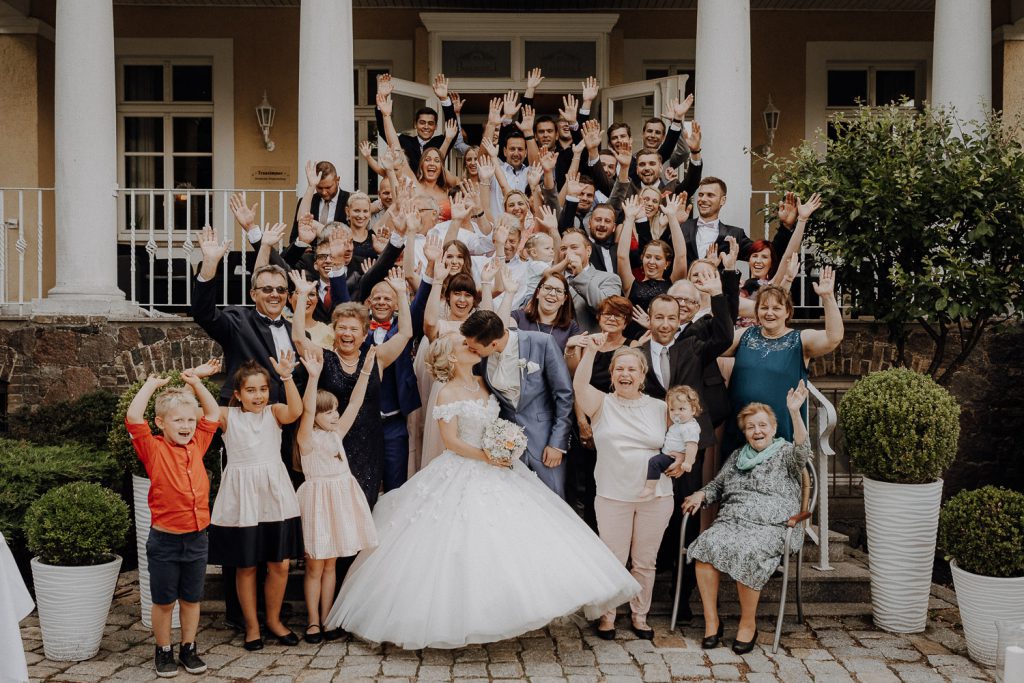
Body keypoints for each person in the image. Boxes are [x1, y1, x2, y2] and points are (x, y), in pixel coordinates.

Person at [323, 332, 640, 650]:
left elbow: (501, 418)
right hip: (464, 467)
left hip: (501, 467)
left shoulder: (485, 382)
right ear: (450, 357)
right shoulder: (446, 392)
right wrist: (489, 456)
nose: (472, 346)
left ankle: (511, 607)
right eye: (465, 345)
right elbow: (452, 442)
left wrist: (507, 443)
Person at [682, 382, 812, 654]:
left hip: (774, 526)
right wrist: (701, 495)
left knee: (749, 551)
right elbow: (717, 486)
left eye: (763, 425)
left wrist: (795, 412)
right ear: (745, 433)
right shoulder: (737, 457)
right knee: (705, 547)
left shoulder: (786, 453)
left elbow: (803, 451)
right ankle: (711, 622)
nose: (757, 431)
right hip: (732, 522)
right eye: (751, 427)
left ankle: (747, 624)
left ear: (774, 429)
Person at [572, 342, 675, 641]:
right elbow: (579, 384)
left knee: (645, 560)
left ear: (643, 375)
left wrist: (680, 459)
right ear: (612, 374)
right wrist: (591, 351)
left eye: (632, 369)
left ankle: (640, 615)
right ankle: (608, 615)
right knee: (613, 558)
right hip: (612, 494)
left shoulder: (660, 407)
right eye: (620, 369)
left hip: (655, 496)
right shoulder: (601, 404)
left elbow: (680, 439)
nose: (625, 374)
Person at [125, 360, 221, 677]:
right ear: (161, 423)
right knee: (165, 602)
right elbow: (133, 417)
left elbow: (213, 414)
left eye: (189, 420)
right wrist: (151, 386)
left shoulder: (199, 443)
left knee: (192, 599)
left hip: (197, 538)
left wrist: (195, 383)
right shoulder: (152, 448)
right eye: (178, 420)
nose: (186, 425)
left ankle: (188, 648)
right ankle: (163, 650)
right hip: (164, 541)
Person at [291, 270, 413, 509]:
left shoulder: (375, 359)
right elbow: (297, 338)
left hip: (370, 443)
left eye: (354, 329)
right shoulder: (324, 358)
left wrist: (401, 294)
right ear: (334, 331)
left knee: (365, 504)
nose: (347, 333)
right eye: (342, 328)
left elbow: (406, 333)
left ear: (364, 334)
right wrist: (303, 296)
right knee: (336, 506)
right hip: (333, 443)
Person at [209, 357, 304, 652]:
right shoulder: (227, 416)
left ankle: (274, 620)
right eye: (251, 390)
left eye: (263, 389)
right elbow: (199, 411)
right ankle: (251, 625)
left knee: (280, 563)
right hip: (242, 498)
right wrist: (195, 380)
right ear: (237, 393)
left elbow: (296, 411)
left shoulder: (274, 413)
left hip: (274, 495)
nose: (258, 395)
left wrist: (286, 378)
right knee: (246, 565)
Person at [294, 349, 377, 645]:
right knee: (316, 565)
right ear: (315, 415)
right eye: (328, 411)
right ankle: (313, 621)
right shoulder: (307, 440)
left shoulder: (335, 434)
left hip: (339, 500)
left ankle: (328, 617)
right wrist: (314, 378)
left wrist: (366, 370)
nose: (335, 415)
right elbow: (305, 412)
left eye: (334, 410)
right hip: (318, 503)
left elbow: (355, 402)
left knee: (330, 565)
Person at [722, 267, 844, 454]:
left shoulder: (800, 340)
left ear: (787, 312)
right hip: (741, 430)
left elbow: (833, 338)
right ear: (757, 312)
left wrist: (827, 297)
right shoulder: (745, 335)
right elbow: (714, 347)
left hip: (782, 432)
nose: (769, 313)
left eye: (776, 308)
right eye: (764, 308)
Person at [461, 310, 574, 499]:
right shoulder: (482, 358)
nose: (471, 351)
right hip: (507, 445)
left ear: (493, 343)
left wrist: (557, 443)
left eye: (475, 348)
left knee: (553, 501)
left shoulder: (542, 343)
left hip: (545, 442)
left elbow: (564, 395)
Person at [641, 385, 701, 501]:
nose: (676, 413)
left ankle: (649, 488)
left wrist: (688, 462)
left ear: (693, 410)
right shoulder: (679, 425)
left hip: (672, 457)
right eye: (672, 410)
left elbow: (692, 446)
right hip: (669, 454)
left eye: (681, 409)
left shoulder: (689, 427)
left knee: (654, 462)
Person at [510, 273, 581, 352]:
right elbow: (502, 335)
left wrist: (569, 349)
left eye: (559, 291)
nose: (552, 294)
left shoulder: (571, 327)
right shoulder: (518, 317)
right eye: (547, 288)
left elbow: (574, 364)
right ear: (537, 293)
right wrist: (509, 293)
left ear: (564, 299)